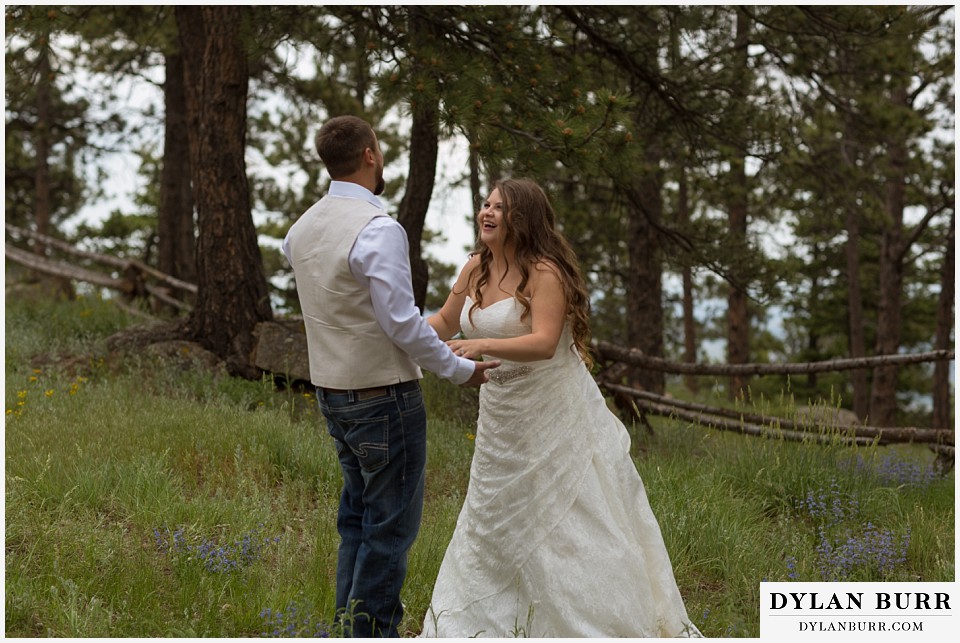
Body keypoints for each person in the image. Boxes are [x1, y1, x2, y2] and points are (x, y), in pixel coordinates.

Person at [419, 178, 701, 637]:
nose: (486, 213)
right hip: (499, 413)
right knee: (494, 510)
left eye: (499, 208)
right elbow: (444, 322)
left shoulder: (545, 272)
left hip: (552, 408)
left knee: (568, 514)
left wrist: (479, 343)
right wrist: (398, 330)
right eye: (484, 205)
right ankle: (484, 622)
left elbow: (546, 343)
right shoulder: (476, 268)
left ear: (522, 219)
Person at [282, 115, 500, 638]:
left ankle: (349, 626)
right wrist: (458, 370)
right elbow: (401, 323)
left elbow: (344, 307)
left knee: (356, 518)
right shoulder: (378, 230)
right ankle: (372, 633)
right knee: (389, 529)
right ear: (370, 156)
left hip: (331, 393)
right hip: (384, 397)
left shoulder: (301, 230)